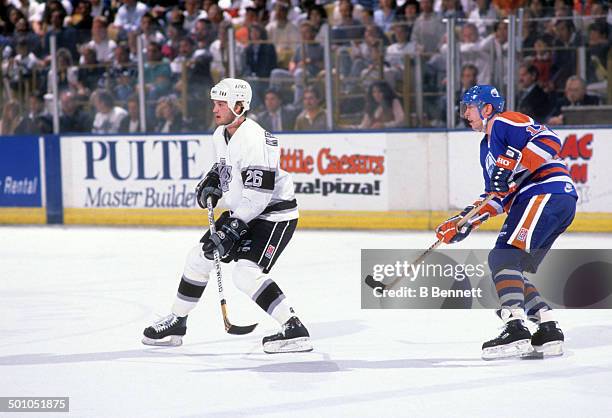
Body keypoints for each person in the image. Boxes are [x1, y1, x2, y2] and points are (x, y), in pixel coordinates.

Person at [142, 78, 312, 354]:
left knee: (245, 274)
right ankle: (178, 320)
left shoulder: (256, 139)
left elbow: (259, 196)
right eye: (214, 103)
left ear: (240, 105)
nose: (215, 109)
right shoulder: (220, 134)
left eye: (221, 103)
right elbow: (227, 170)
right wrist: (213, 181)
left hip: (273, 216)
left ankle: (294, 327)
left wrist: (232, 227)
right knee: (199, 257)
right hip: (244, 212)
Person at [435, 85, 576, 360]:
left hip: (544, 191)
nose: (465, 113)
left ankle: (516, 328)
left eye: (469, 107)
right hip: (544, 198)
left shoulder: (504, 121)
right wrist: (466, 222)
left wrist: (514, 163)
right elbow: (498, 195)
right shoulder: (485, 148)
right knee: (508, 267)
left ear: (487, 108)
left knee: (502, 258)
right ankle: (547, 329)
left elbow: (550, 140)